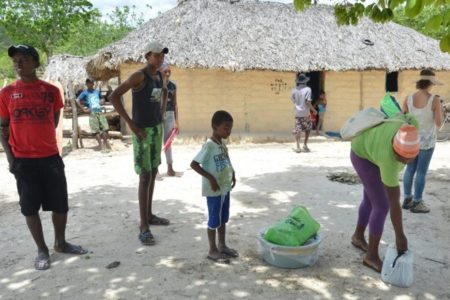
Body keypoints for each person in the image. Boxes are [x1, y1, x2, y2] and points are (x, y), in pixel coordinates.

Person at [0, 44, 87, 270]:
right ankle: (42, 249)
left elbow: (55, 119)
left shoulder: (51, 91)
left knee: (60, 204)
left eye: (25, 59)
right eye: (16, 60)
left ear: (36, 63)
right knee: (30, 208)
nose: (19, 64)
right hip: (23, 160)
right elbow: (2, 128)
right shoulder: (7, 93)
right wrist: (11, 159)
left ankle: (60, 242)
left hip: (50, 157)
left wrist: (42, 139)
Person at [108, 41, 170, 246]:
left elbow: (162, 94)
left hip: (155, 129)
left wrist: (161, 114)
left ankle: (150, 215)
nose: (159, 58)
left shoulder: (160, 75)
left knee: (153, 172)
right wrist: (132, 125)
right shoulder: (139, 76)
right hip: (142, 132)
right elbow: (114, 96)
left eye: (162, 55)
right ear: (147, 56)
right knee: (144, 176)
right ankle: (143, 226)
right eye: (156, 55)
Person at [350, 114, 420, 273]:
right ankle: (371, 256)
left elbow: (406, 114)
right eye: (401, 159)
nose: (405, 163)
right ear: (394, 149)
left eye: (410, 159)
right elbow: (394, 203)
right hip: (361, 155)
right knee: (381, 205)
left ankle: (358, 236)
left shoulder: (411, 126)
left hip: (370, 146)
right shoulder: (388, 160)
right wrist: (400, 235)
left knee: (370, 198)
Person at [190, 110, 238, 264]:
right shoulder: (209, 145)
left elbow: (227, 159)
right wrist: (210, 178)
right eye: (225, 128)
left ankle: (222, 245)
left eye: (230, 128)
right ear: (214, 127)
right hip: (214, 191)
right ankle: (212, 250)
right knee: (213, 220)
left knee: (223, 218)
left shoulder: (222, 144)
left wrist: (233, 173)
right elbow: (194, 164)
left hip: (224, 188)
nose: (228, 131)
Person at [401, 70, 443, 213]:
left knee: (410, 169)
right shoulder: (435, 100)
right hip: (427, 142)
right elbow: (439, 124)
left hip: (411, 141)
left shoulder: (408, 98)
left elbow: (403, 118)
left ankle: (407, 199)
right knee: (421, 172)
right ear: (431, 83)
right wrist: (441, 110)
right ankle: (417, 202)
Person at [77, 78, 111, 152]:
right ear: (86, 84)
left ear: (93, 84)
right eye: (89, 83)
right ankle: (101, 145)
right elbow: (77, 100)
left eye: (91, 82)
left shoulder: (97, 92)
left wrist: (102, 101)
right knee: (95, 130)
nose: (90, 84)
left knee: (105, 128)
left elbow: (102, 99)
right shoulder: (84, 93)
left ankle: (104, 144)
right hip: (92, 112)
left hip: (100, 111)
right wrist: (83, 109)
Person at [161, 62, 179, 176]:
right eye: (165, 72)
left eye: (169, 72)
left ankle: (170, 167)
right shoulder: (156, 85)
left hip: (170, 114)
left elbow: (175, 104)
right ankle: (155, 168)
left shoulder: (173, 86)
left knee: (167, 142)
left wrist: (177, 121)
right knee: (157, 142)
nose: (167, 74)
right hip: (158, 115)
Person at [291, 73, 317, 153]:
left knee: (298, 130)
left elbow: (293, 100)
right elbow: (308, 102)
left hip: (297, 113)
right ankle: (305, 145)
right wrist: (314, 110)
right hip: (305, 113)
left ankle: (298, 147)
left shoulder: (294, 90)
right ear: (305, 81)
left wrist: (298, 104)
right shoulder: (308, 89)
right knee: (308, 129)